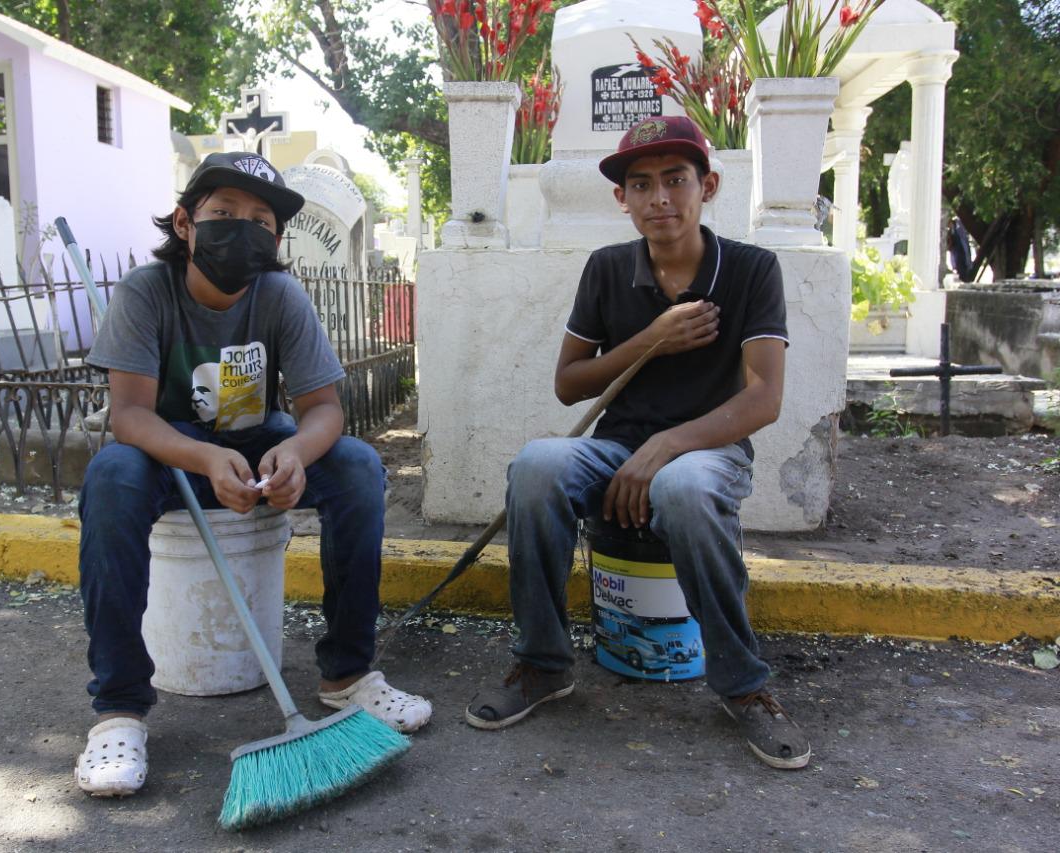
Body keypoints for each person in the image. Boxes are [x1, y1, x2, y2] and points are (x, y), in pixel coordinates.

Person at [74, 151, 432, 798]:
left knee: (354, 465)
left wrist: (295, 453)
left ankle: (347, 674)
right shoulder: (145, 293)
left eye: (260, 219)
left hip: (259, 434)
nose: (241, 229)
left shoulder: (279, 295)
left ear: (276, 237)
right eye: (222, 213)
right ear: (185, 224)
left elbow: (324, 409)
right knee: (111, 478)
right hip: (167, 445)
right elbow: (128, 414)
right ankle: (118, 710)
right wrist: (206, 457)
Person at [464, 116, 810, 770]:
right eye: (640, 183)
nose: (659, 198)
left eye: (676, 180)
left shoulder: (751, 269)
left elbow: (764, 398)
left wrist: (669, 445)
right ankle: (541, 662)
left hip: (711, 453)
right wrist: (653, 337)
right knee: (537, 466)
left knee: (682, 486)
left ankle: (744, 684)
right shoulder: (606, 269)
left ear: (707, 185)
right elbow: (569, 384)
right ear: (621, 199)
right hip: (615, 445)